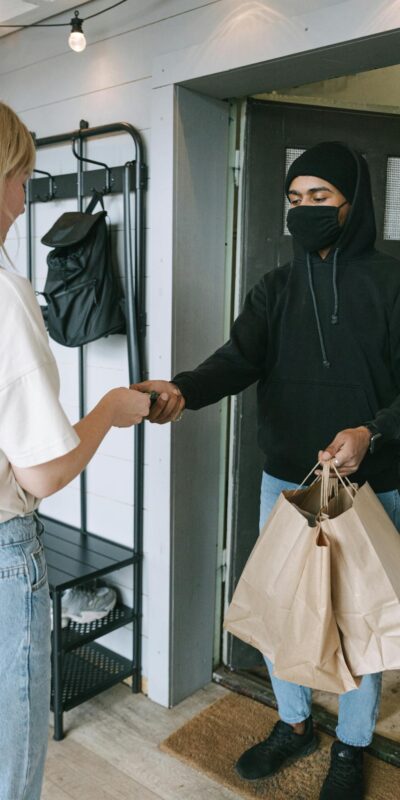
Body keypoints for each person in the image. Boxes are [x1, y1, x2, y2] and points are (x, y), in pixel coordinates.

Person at [133, 141, 400, 800]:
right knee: (286, 610)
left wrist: (373, 431)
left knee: (357, 620)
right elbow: (237, 359)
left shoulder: (393, 282)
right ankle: (294, 724)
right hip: (290, 480)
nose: (306, 210)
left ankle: (354, 743)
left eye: (321, 198)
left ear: (352, 202)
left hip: (373, 484)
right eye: (296, 199)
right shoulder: (276, 288)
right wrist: (182, 391)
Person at [0, 101, 150, 800]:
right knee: (10, 766)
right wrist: (110, 409)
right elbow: (45, 469)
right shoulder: (5, 297)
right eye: (22, 179)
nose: (25, 202)